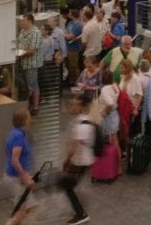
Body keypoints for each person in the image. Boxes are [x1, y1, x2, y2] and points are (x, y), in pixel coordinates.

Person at [61, 96, 94, 225]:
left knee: (67, 186)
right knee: (68, 185)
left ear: (81, 107)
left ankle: (81, 214)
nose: (72, 107)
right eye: (72, 104)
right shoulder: (82, 121)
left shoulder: (81, 125)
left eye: (75, 105)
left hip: (81, 160)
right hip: (82, 159)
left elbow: (74, 145)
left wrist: (68, 160)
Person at [4, 109, 37, 225]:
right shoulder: (18, 137)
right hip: (16, 177)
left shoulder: (16, 133)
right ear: (24, 121)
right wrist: (25, 178)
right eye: (28, 117)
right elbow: (15, 160)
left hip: (16, 176)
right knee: (25, 207)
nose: (30, 120)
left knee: (24, 206)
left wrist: (27, 175)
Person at [16, 14, 43, 115]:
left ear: (30, 21)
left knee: (32, 86)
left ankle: (34, 107)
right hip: (23, 63)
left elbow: (32, 51)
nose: (21, 22)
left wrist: (19, 53)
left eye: (24, 21)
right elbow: (18, 44)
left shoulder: (35, 33)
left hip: (32, 64)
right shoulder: (22, 32)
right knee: (26, 86)